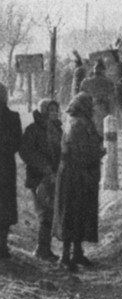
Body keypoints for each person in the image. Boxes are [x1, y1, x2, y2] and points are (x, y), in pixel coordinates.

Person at [52, 93, 105, 271]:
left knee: (79, 213)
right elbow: (81, 152)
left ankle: (76, 252)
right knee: (71, 213)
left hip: (78, 174)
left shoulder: (79, 122)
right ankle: (66, 256)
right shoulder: (77, 124)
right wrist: (98, 153)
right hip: (74, 175)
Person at [20, 99, 62, 261]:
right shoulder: (33, 130)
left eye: (55, 110)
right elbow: (26, 152)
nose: (54, 113)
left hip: (54, 177)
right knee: (45, 213)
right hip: (39, 178)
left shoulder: (58, 129)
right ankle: (42, 249)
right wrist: (44, 168)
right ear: (43, 111)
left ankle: (45, 248)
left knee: (51, 212)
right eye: (50, 110)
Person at [0, 83, 22, 259]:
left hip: (6, 165)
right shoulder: (13, 117)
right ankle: (2, 246)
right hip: (6, 165)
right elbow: (17, 144)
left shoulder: (13, 117)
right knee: (5, 205)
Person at [80, 59, 116, 134]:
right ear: (103, 70)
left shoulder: (86, 81)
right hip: (103, 109)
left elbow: (81, 97)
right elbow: (112, 98)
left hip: (91, 109)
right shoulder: (109, 82)